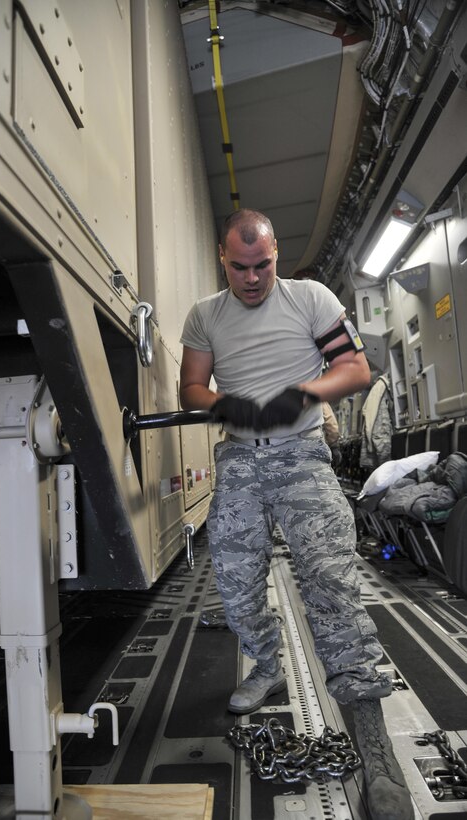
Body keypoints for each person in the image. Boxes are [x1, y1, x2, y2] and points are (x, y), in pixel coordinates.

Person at [179, 209, 413, 820]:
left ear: (276, 252)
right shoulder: (206, 315)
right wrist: (232, 405)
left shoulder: (310, 298)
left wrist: (304, 395)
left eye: (263, 265)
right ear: (221, 258)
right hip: (239, 458)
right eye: (239, 267)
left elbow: (357, 368)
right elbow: (192, 388)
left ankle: (375, 748)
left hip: (303, 455)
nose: (253, 278)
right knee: (232, 583)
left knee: (333, 587)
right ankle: (266, 662)